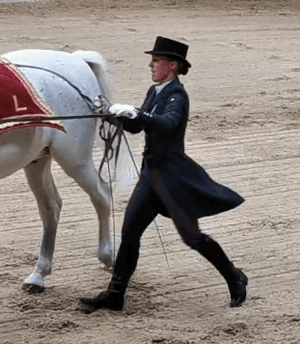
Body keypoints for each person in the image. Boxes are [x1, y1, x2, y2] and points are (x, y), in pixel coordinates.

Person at [80, 36, 248, 312]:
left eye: (156, 61)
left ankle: (234, 276)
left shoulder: (177, 96)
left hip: (172, 178)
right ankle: (115, 294)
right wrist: (111, 114)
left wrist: (136, 113)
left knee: (191, 236)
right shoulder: (155, 91)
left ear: (172, 66)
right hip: (151, 177)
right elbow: (138, 127)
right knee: (130, 232)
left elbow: (168, 124)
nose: (151, 65)